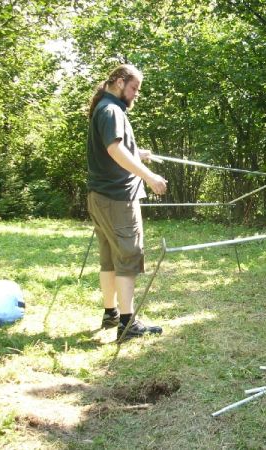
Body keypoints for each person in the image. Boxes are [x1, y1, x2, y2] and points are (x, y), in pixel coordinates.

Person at [86, 64, 168, 341]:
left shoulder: (105, 109)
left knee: (109, 257)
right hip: (118, 198)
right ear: (120, 82)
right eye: (134, 88)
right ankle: (127, 323)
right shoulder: (112, 110)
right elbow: (114, 149)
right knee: (128, 257)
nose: (135, 95)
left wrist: (138, 153)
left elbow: (116, 149)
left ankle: (110, 313)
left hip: (101, 197)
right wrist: (149, 177)